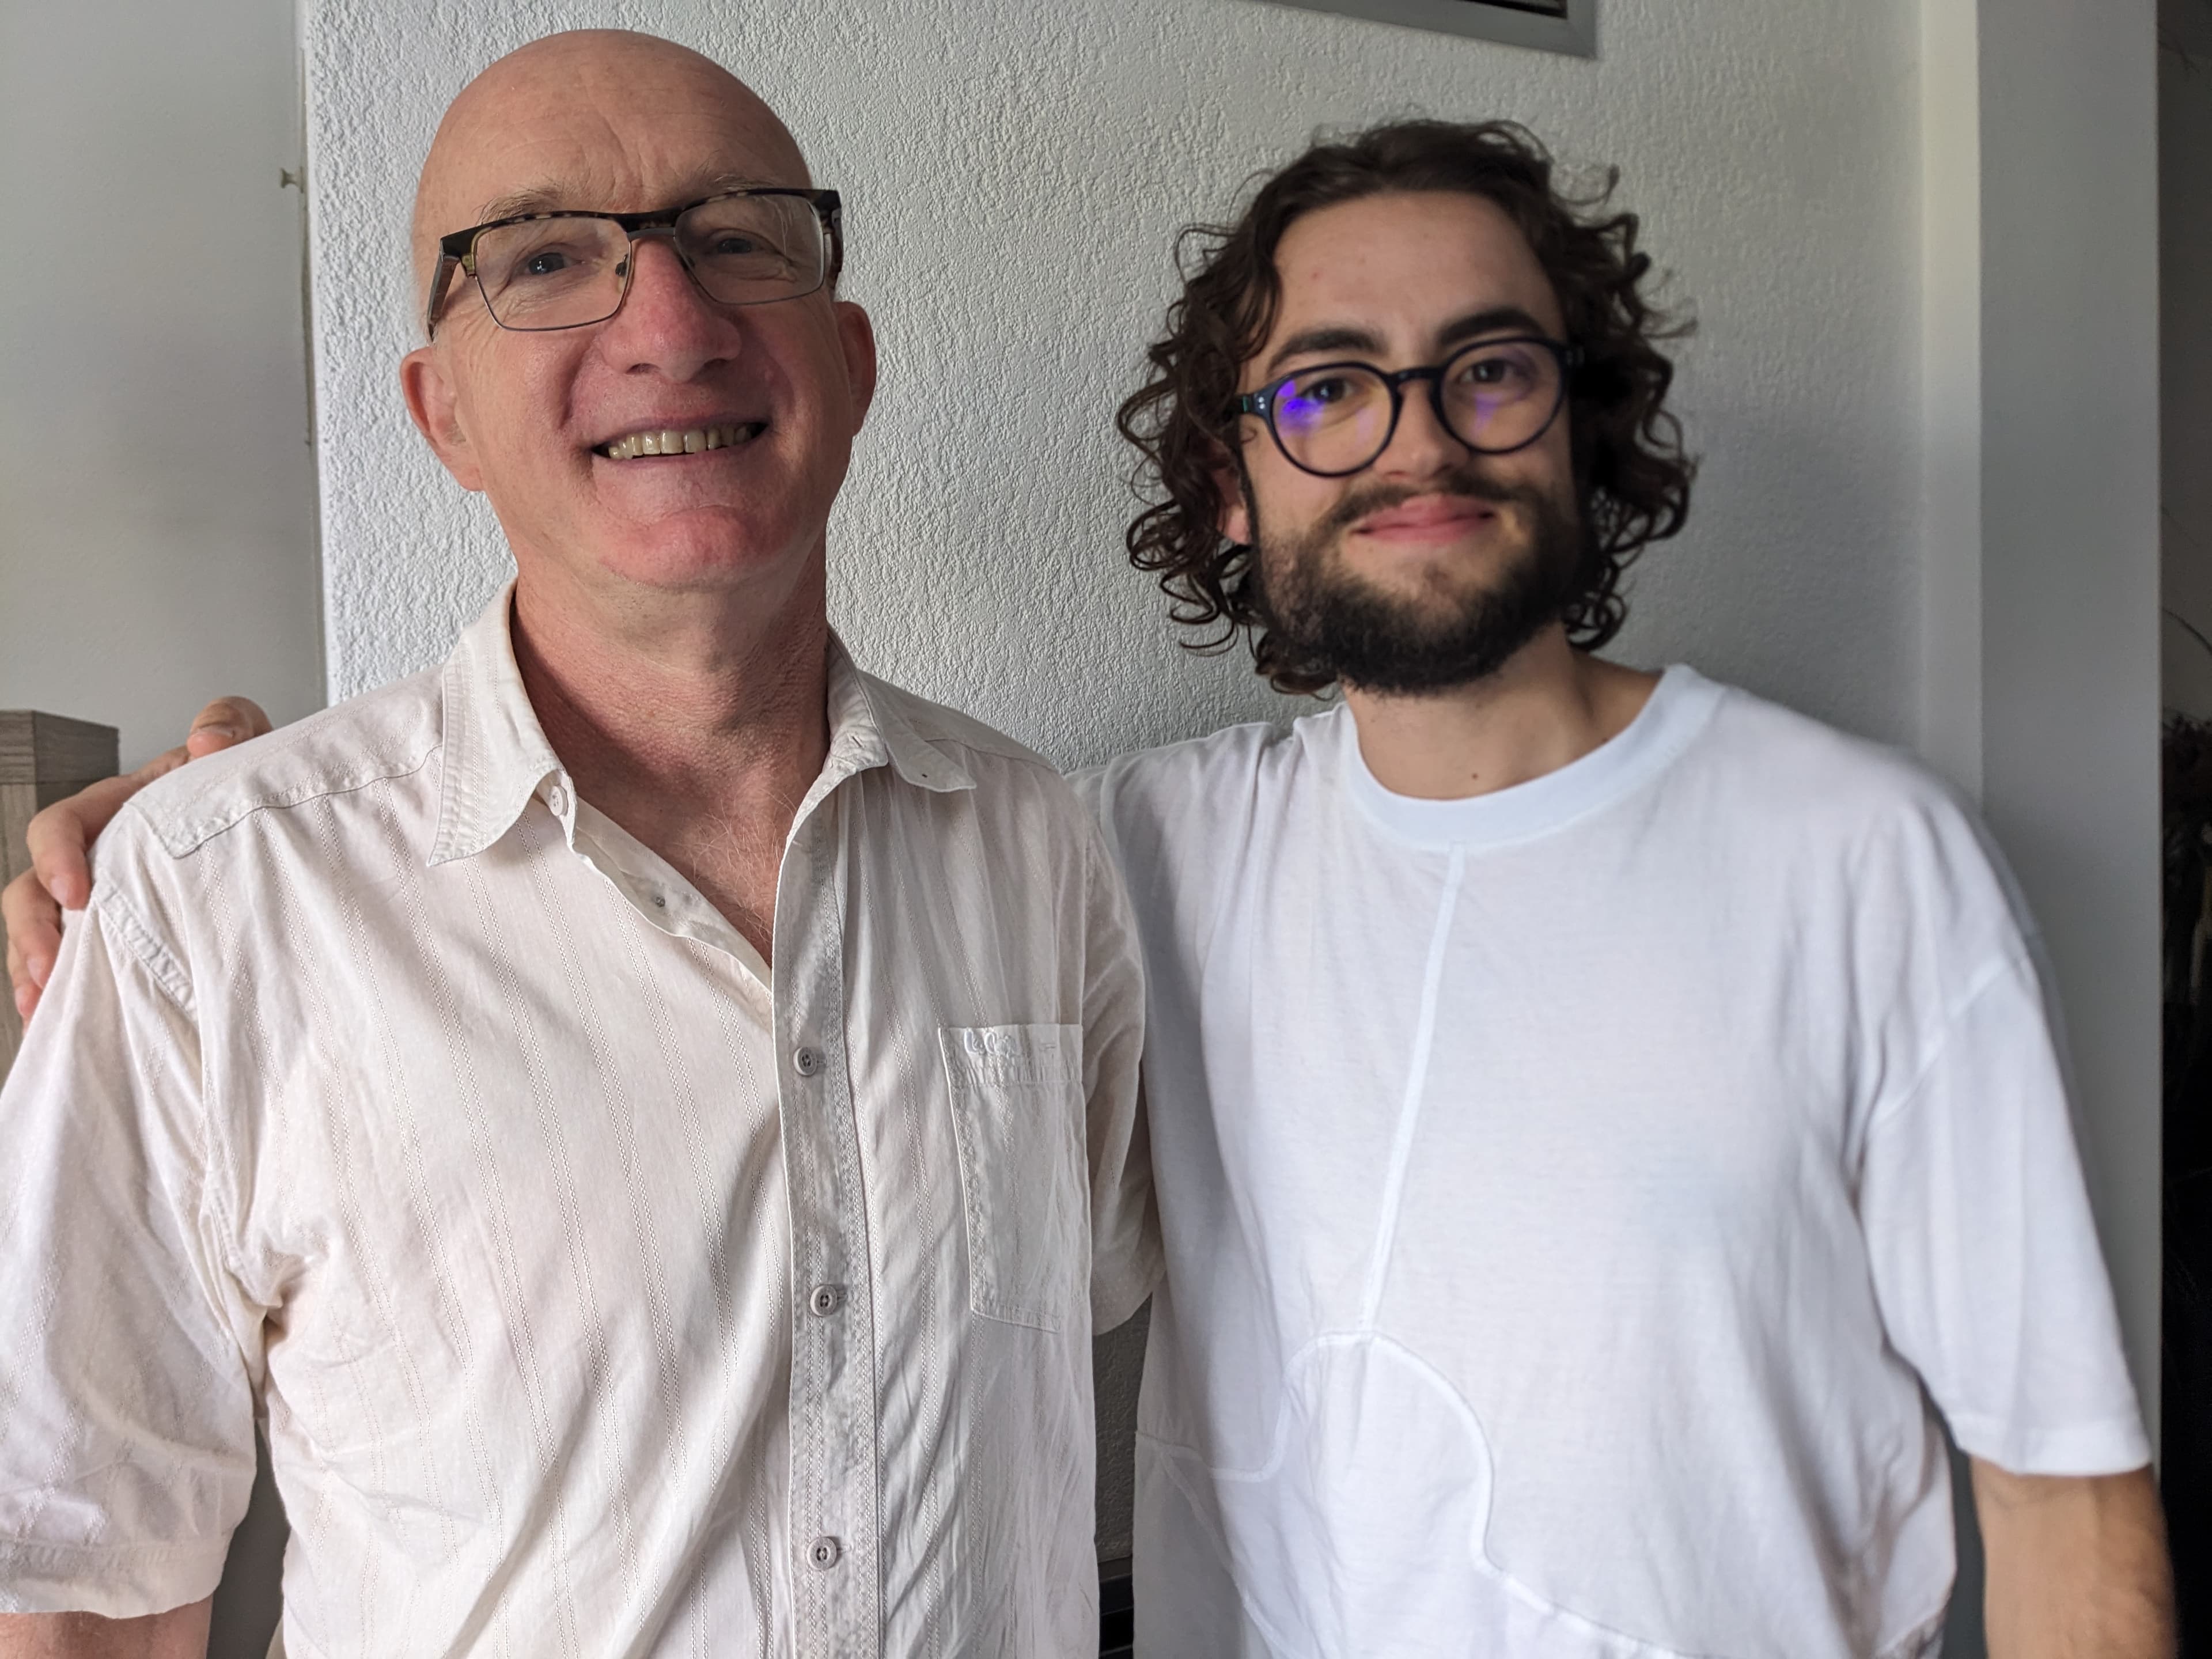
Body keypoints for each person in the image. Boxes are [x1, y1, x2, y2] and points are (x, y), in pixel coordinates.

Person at [5, 111, 2173, 1659]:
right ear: (1231, 490)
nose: (1415, 439)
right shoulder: (1116, 843)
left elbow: (2070, 1495)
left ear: (1584, 433)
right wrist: (202, 843)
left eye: (1491, 372)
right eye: (1329, 389)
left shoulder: (1856, 859)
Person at [0, 29, 1153, 1659]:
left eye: (739, 238)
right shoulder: (216, 903)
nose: (669, 327)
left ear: (851, 359)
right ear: (442, 413)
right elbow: (88, 1606)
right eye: (544, 259)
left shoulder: (1036, 847)